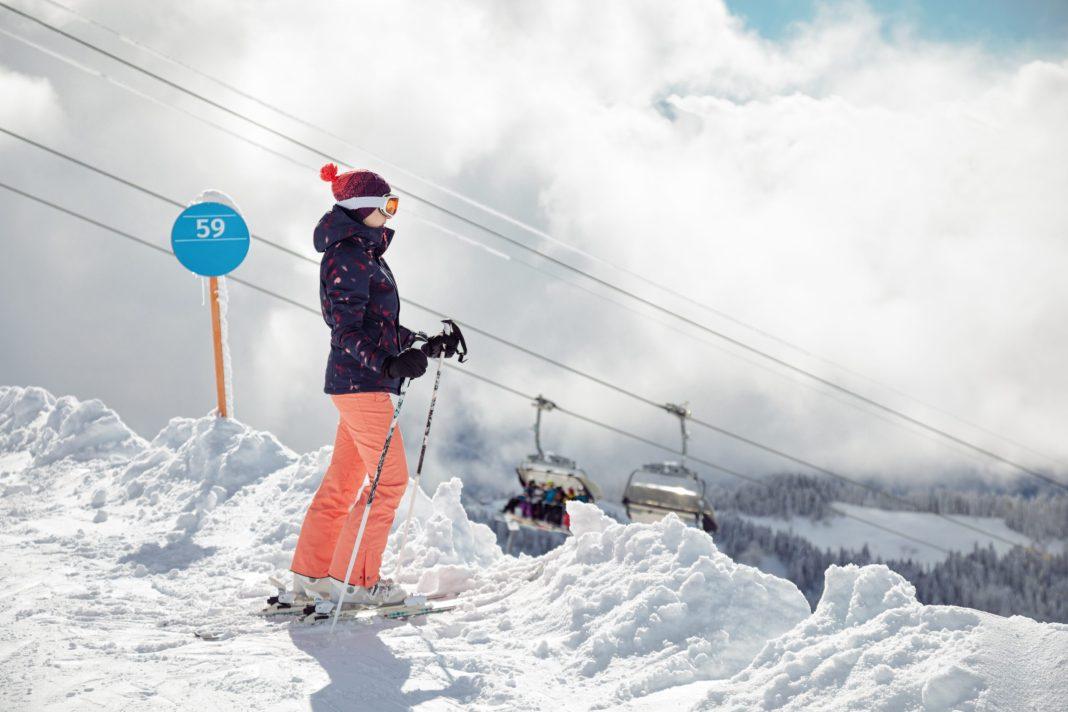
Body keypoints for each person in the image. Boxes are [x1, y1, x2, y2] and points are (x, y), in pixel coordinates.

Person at [288, 164, 462, 606]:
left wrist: (421, 344)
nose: (391, 213)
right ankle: (356, 581)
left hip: (356, 383)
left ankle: (313, 576)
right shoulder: (349, 255)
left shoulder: (362, 253)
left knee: (344, 484)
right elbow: (345, 332)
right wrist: (388, 364)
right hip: (361, 383)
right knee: (389, 483)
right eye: (387, 205)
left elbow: (373, 325)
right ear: (362, 208)